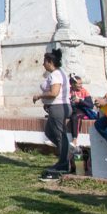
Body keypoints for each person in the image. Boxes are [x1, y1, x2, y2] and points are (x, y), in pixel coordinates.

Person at [32, 48, 71, 179]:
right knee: (50, 132)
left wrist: (39, 96)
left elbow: (54, 92)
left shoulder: (56, 75)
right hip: (56, 107)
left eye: (45, 62)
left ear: (50, 62)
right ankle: (66, 154)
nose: (43, 64)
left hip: (58, 107)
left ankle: (64, 162)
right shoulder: (59, 74)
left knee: (59, 135)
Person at [69, 74, 96, 150]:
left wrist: (80, 101)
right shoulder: (68, 90)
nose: (81, 85)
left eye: (81, 83)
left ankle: (74, 140)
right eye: (79, 84)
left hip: (82, 111)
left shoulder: (84, 91)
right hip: (70, 110)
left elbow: (90, 105)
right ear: (73, 84)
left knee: (74, 117)